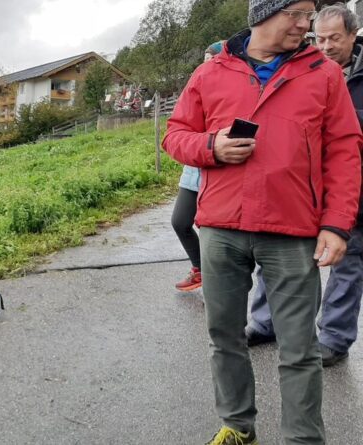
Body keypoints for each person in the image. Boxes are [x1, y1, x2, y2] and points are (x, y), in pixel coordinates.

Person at [162, 0, 362, 443]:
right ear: (263, 15)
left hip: (292, 231)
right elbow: (175, 135)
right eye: (296, 13)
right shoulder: (211, 72)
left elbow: (345, 151)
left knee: (299, 348)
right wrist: (211, 147)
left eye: (308, 14)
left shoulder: (324, 75)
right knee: (224, 336)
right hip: (221, 228)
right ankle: (237, 425)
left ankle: (303, 438)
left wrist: (336, 223)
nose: (306, 24)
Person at [246, 3, 363, 368]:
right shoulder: (301, 67)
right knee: (278, 252)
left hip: (352, 188)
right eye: (321, 37)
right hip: (301, 187)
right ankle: (266, 323)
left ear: (354, 35)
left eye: (335, 38)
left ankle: (333, 337)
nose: (326, 45)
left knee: (347, 262)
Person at [172, 41, 224, 292]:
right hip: (193, 169)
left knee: (213, 231)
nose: (206, 63)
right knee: (180, 221)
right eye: (204, 58)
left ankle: (218, 279)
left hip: (219, 170)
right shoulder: (198, 85)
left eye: (211, 58)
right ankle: (200, 269)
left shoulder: (230, 91)